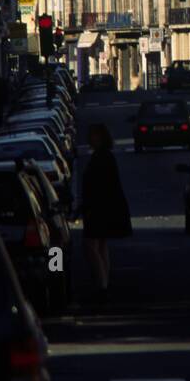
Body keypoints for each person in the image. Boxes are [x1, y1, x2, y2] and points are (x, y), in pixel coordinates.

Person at [81, 124, 132, 304]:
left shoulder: (101, 157)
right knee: (100, 245)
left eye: (94, 136)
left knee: (91, 246)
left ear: (101, 138)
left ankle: (102, 286)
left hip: (98, 208)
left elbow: (98, 185)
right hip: (104, 207)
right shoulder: (103, 156)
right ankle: (104, 283)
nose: (90, 139)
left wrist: (86, 206)